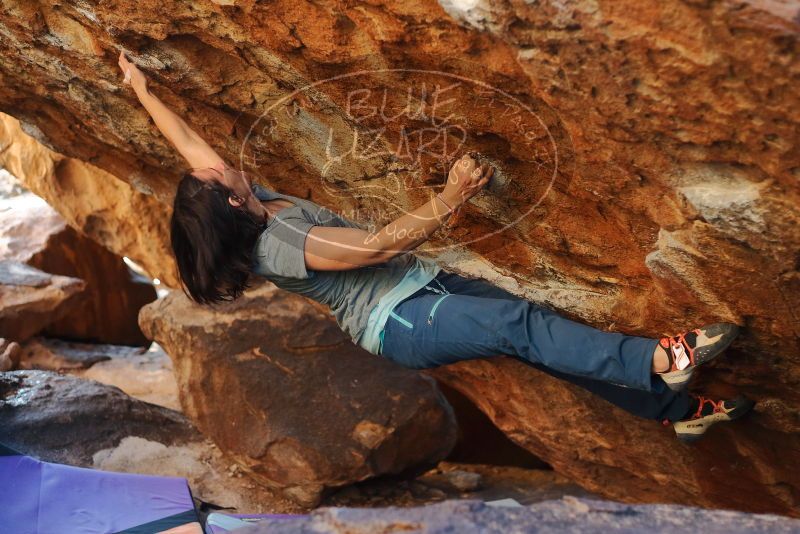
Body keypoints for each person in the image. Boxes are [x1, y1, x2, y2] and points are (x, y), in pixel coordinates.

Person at [118, 53, 754, 442]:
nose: (218, 164)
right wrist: (450, 197)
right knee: (517, 323)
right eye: (215, 177)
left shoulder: (255, 201)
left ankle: (678, 411)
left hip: (423, 288)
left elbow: (192, 150)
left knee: (542, 345)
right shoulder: (279, 242)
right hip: (400, 322)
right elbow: (370, 249)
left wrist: (141, 91)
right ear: (231, 203)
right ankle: (659, 360)